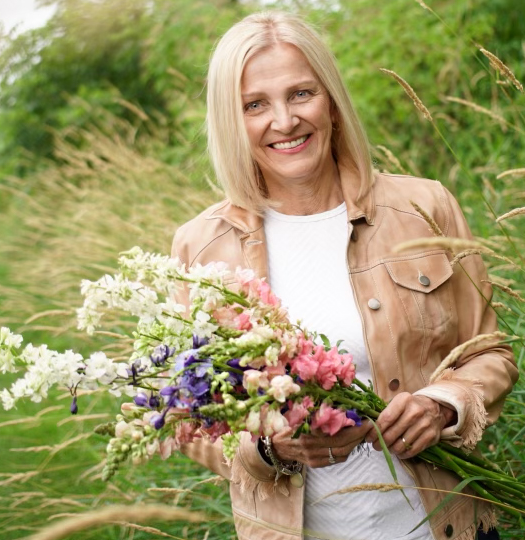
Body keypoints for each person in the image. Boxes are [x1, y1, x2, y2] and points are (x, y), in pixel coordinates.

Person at [171, 11, 518, 540]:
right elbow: (187, 418)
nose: (285, 121)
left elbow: (488, 353)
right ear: (230, 119)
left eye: (302, 93)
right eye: (255, 105)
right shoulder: (201, 247)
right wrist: (269, 448)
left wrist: (442, 406)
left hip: (445, 526)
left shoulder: (423, 206)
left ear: (331, 100)